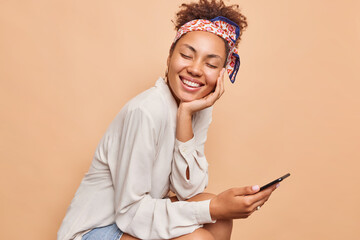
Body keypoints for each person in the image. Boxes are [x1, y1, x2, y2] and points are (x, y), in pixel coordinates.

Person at [58, 0, 279, 239]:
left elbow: (189, 191)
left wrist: (185, 115)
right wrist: (213, 208)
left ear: (222, 73)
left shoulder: (196, 108)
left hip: (132, 218)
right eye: (186, 55)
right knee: (201, 235)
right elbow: (129, 213)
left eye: (211, 64)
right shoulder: (145, 111)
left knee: (219, 220)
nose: (195, 69)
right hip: (99, 228)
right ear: (169, 57)